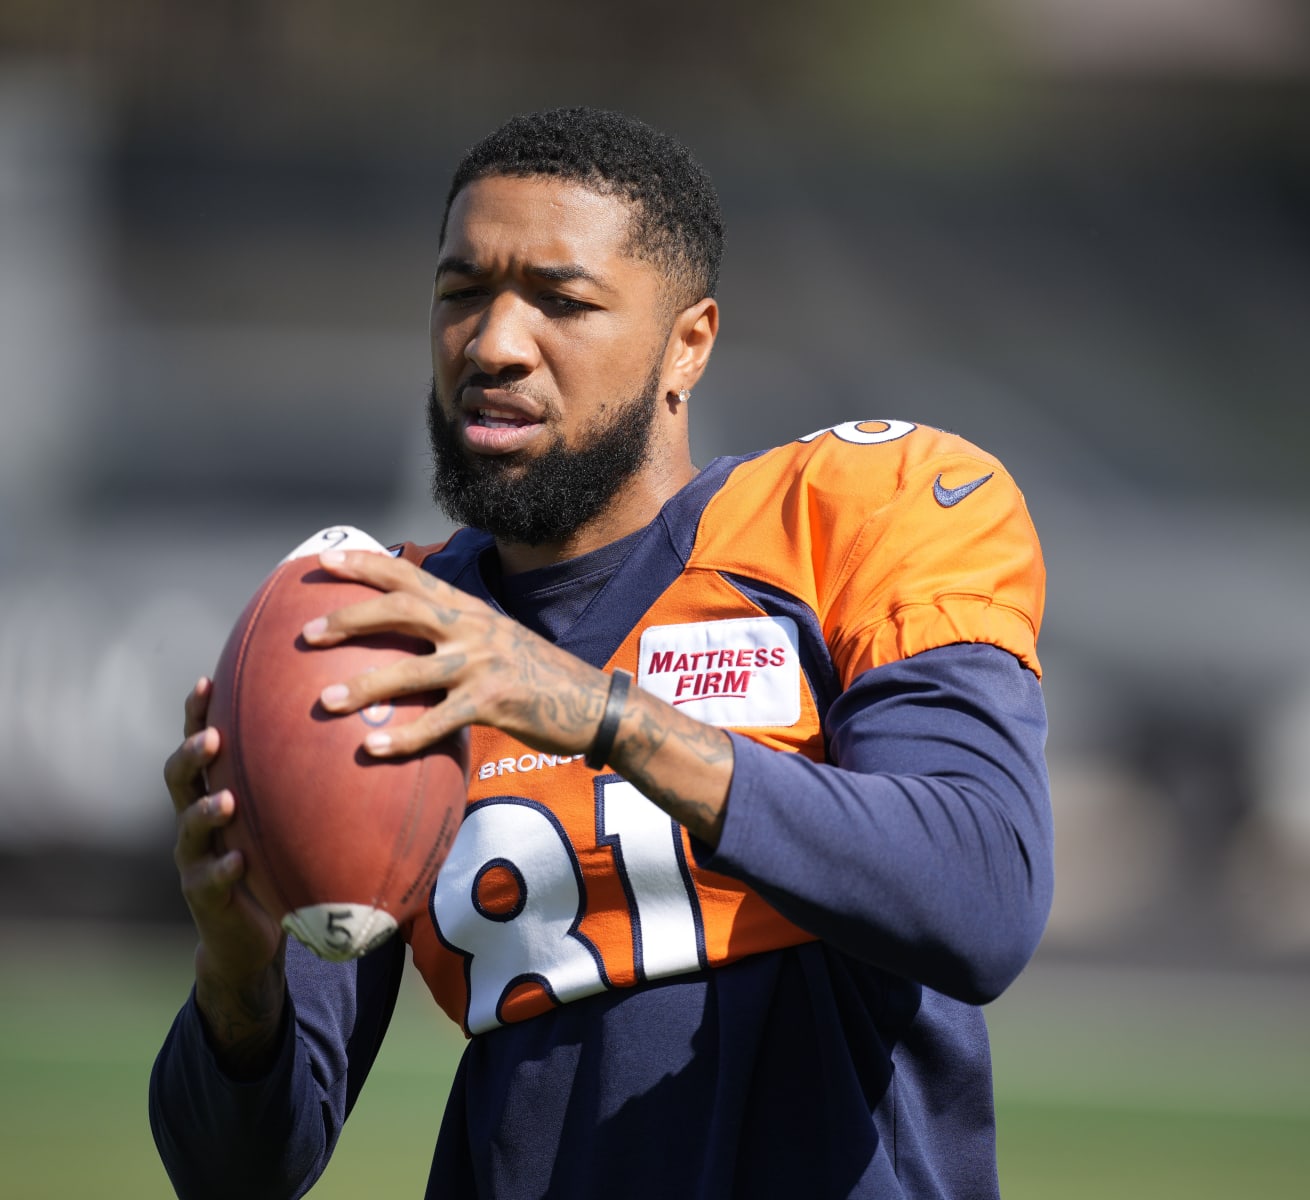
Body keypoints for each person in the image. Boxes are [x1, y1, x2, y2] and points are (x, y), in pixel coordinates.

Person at [151, 106, 1052, 1200]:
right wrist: (239, 981)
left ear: (689, 344)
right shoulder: (386, 626)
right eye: (460, 293)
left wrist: (606, 715)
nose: (493, 345)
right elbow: (240, 1174)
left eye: (561, 301)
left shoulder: (856, 515)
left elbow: (983, 895)